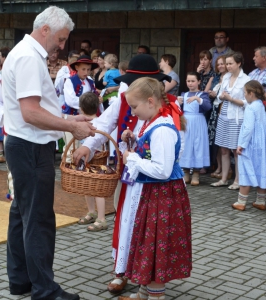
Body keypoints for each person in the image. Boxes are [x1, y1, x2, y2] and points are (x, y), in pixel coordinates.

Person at [2, 6, 95, 300]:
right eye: (61, 38)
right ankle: (44, 290)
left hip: (24, 144)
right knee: (39, 219)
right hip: (30, 146)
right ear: (45, 30)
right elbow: (30, 113)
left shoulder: (24, 52)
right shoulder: (29, 57)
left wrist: (70, 120)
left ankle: (21, 281)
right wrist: (69, 124)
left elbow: (33, 108)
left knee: (22, 214)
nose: (62, 45)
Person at [73, 54, 179, 294]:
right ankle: (122, 272)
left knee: (148, 230)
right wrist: (89, 145)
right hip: (129, 174)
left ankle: (148, 282)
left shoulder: (169, 107)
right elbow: (105, 123)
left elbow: (167, 151)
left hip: (153, 181)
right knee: (125, 222)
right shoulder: (123, 99)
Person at [118, 77, 191, 300]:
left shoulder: (163, 128)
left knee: (156, 244)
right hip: (154, 194)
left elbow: (163, 170)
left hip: (163, 195)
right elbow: (151, 152)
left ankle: (155, 296)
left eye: (134, 106)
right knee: (147, 243)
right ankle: (143, 291)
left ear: (150, 101)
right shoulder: (153, 122)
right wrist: (135, 141)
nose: (132, 112)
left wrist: (132, 159)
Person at [232, 80, 266, 211]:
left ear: (251, 93)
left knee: (247, 169)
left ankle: (241, 202)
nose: (244, 95)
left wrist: (241, 145)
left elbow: (248, 128)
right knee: (261, 169)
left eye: (244, 93)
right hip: (262, 144)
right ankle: (260, 201)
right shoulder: (263, 106)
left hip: (251, 144)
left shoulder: (250, 108)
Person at [211, 52, 251, 189]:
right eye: (226, 63)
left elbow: (248, 102)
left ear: (238, 63)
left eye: (230, 63)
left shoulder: (246, 80)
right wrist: (221, 96)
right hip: (224, 115)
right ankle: (223, 179)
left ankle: (238, 180)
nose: (227, 66)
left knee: (236, 150)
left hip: (237, 117)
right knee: (223, 149)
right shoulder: (226, 77)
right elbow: (219, 98)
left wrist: (231, 99)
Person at [76, 92, 108, 231]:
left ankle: (102, 218)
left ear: (81, 108)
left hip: (97, 160)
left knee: (97, 189)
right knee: (86, 186)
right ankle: (92, 212)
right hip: (85, 161)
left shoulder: (98, 124)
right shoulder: (82, 124)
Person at [180, 72, 211, 185]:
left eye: (193, 81)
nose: (190, 83)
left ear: (198, 81)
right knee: (186, 145)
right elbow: (178, 109)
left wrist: (198, 99)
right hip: (186, 122)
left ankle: (196, 173)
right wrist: (178, 103)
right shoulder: (183, 94)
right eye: (188, 81)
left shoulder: (202, 95)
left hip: (198, 122)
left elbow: (208, 107)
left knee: (198, 145)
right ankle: (186, 172)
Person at [205, 55, 227, 179]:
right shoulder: (217, 77)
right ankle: (219, 166)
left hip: (222, 110)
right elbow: (207, 91)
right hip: (214, 110)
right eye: (218, 64)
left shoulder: (229, 78)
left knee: (223, 142)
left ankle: (225, 169)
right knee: (215, 141)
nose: (220, 66)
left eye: (222, 63)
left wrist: (216, 94)